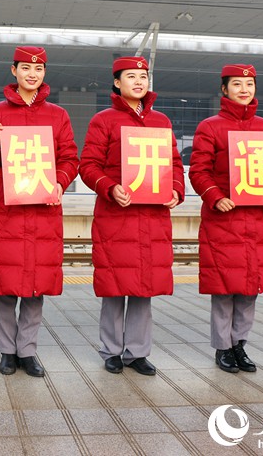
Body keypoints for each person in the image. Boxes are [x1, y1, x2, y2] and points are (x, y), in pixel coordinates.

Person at [0, 46, 79, 377]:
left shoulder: (58, 116)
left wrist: (60, 183)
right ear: (14, 70)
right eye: (26, 68)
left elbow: (70, 159)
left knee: (36, 286)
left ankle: (28, 350)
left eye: (39, 69)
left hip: (43, 211)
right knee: (5, 284)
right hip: (6, 211)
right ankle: (7, 351)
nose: (32, 74)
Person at [79, 56, 184, 376]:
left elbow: (174, 165)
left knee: (143, 289)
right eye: (131, 76)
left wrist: (176, 191)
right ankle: (111, 350)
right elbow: (88, 166)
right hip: (117, 217)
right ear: (116, 82)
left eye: (143, 76)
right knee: (114, 287)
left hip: (152, 220)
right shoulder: (104, 120)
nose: (139, 82)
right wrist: (110, 187)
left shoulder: (161, 122)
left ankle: (137, 352)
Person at [189, 64, 263, 374]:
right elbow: (198, 171)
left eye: (249, 84)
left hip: (257, 222)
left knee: (249, 289)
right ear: (224, 89)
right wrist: (216, 196)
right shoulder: (210, 126)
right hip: (224, 219)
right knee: (224, 288)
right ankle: (222, 347)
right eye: (237, 84)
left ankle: (240, 345)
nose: (244, 89)